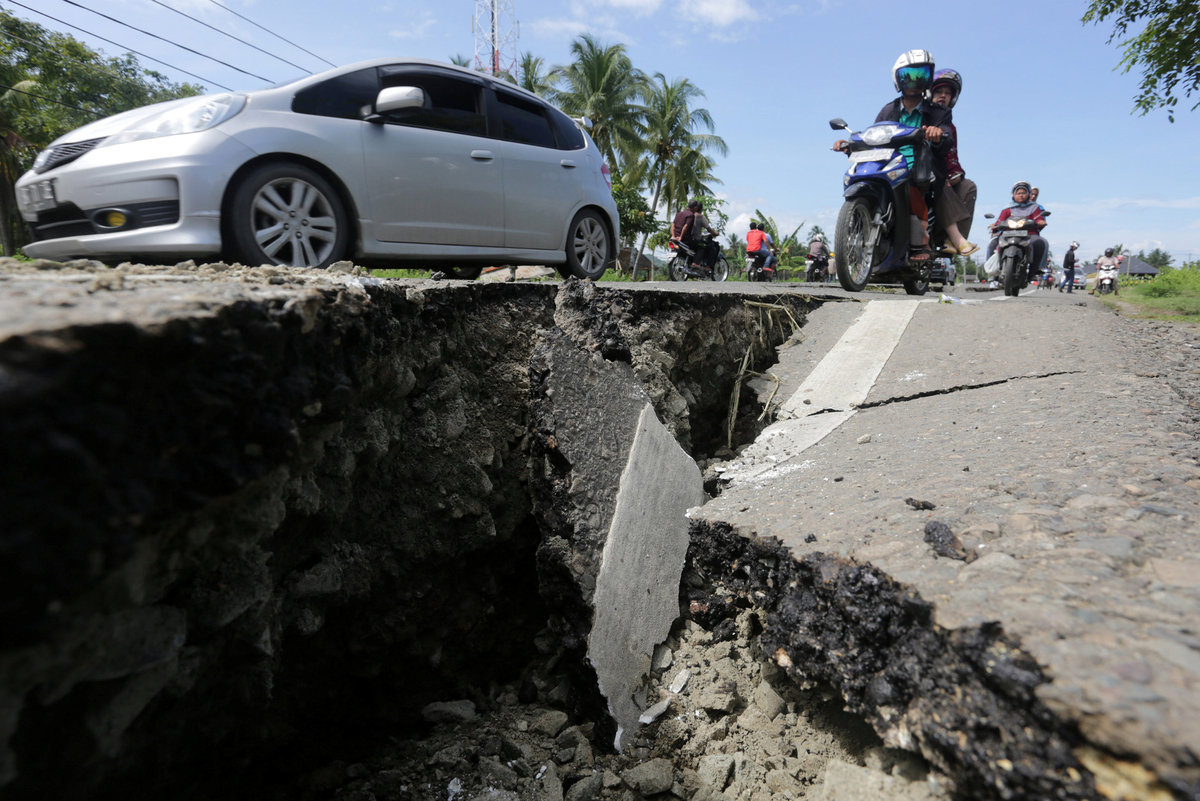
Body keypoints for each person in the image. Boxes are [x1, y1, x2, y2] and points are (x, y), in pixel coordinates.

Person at [835, 49, 952, 261]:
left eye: (921, 76)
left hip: (919, 163)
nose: (914, 82)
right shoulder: (888, 109)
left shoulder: (937, 111)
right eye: (908, 76)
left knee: (913, 191)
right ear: (898, 79)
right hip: (889, 161)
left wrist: (937, 134)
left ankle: (921, 244)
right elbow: (874, 135)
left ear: (928, 79)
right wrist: (850, 145)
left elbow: (946, 134)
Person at [928, 69, 977, 257]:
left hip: (946, 174)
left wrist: (955, 175)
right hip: (925, 171)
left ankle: (951, 242)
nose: (943, 96)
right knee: (938, 181)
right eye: (939, 92)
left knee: (969, 186)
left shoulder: (949, 123)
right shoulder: (922, 114)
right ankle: (957, 238)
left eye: (948, 93)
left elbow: (951, 155)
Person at [987, 181, 1048, 282]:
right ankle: (992, 272)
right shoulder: (1007, 208)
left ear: (1028, 194)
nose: (1021, 195)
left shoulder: (1034, 207)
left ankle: (1033, 272)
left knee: (1039, 242)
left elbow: (1039, 218)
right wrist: (994, 226)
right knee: (992, 243)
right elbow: (999, 221)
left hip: (1029, 234)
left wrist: (1040, 221)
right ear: (1013, 195)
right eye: (1018, 193)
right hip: (1007, 234)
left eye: (1023, 193)